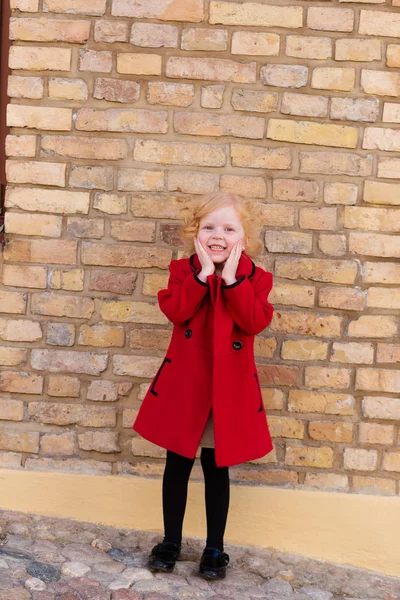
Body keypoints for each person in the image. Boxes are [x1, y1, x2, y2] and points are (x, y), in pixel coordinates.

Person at [133, 192, 274, 580]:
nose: (218, 235)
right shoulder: (183, 272)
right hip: (186, 386)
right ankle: (171, 541)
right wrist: (202, 276)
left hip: (226, 393)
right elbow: (176, 310)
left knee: (216, 468)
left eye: (229, 228)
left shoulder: (255, 279)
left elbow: (254, 321)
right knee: (176, 465)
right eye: (209, 227)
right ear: (196, 233)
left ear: (244, 238)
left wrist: (230, 281)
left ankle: (215, 547)